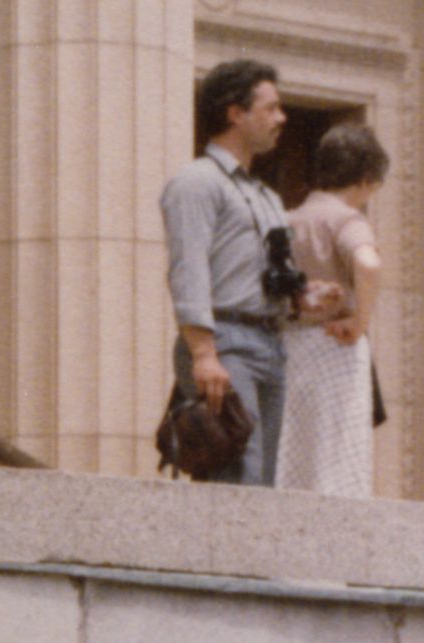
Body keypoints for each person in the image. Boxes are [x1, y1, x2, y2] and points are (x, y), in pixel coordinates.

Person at [161, 60, 298, 486]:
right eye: (271, 108)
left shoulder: (265, 195)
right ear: (235, 113)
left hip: (270, 344)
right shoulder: (196, 182)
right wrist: (204, 354)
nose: (282, 118)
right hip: (225, 343)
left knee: (261, 483)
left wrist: (306, 297)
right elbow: (188, 267)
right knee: (240, 475)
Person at [276, 121, 389, 497]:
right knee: (339, 461)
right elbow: (368, 264)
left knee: (294, 454)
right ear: (365, 180)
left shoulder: (287, 219)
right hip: (337, 345)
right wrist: (360, 320)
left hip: (291, 345)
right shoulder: (346, 219)